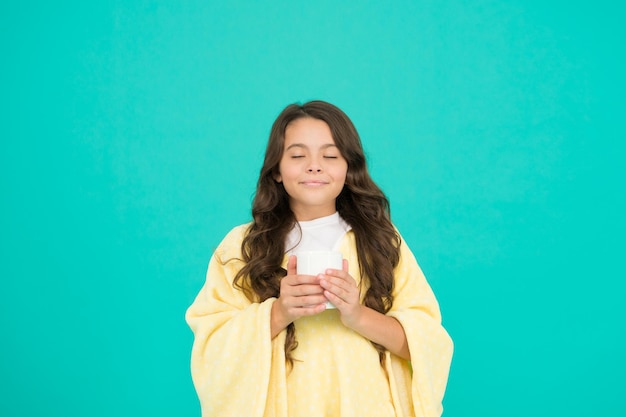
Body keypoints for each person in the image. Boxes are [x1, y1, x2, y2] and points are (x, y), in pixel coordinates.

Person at [185, 100, 453, 417]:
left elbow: (426, 345)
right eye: (298, 156)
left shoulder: (380, 240)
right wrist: (278, 312)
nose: (315, 166)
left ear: (348, 169)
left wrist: (357, 314)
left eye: (330, 155)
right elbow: (212, 350)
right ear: (276, 172)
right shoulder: (242, 247)